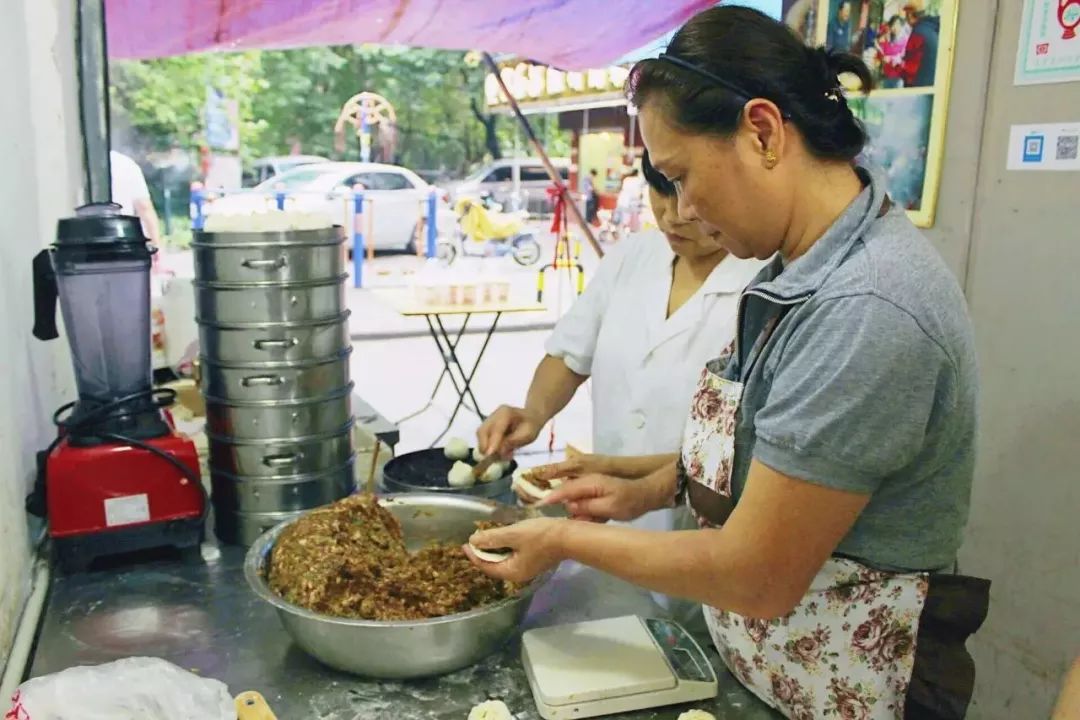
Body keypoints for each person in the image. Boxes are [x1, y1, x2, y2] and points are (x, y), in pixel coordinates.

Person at [468, 7, 989, 719]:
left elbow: (758, 574)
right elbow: (774, 461)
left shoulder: (868, 308)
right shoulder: (796, 270)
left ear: (764, 132)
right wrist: (643, 485)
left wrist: (564, 540)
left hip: (857, 690)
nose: (682, 208)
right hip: (765, 670)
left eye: (681, 175)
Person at [478, 148, 766, 625]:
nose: (673, 216)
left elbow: (743, 451)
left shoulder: (762, 280)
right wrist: (532, 414)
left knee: (692, 649)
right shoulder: (635, 255)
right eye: (659, 192)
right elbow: (571, 352)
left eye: (689, 199)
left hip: (703, 533)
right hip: (608, 518)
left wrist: (620, 473)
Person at [110, 150, 162, 246]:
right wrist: (155, 244)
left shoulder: (78, 161)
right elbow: (144, 208)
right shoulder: (125, 164)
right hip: (123, 234)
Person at [901, 0, 939, 88]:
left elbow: (910, 71)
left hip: (920, 86)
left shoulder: (917, 33)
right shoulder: (932, 29)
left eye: (906, 14)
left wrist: (894, 68)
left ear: (910, 15)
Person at [876, 15, 911, 88]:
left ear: (901, 26)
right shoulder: (887, 38)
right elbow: (881, 54)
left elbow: (903, 57)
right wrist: (879, 50)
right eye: (893, 25)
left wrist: (891, 59)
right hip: (886, 75)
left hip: (898, 78)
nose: (895, 28)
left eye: (897, 25)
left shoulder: (906, 40)